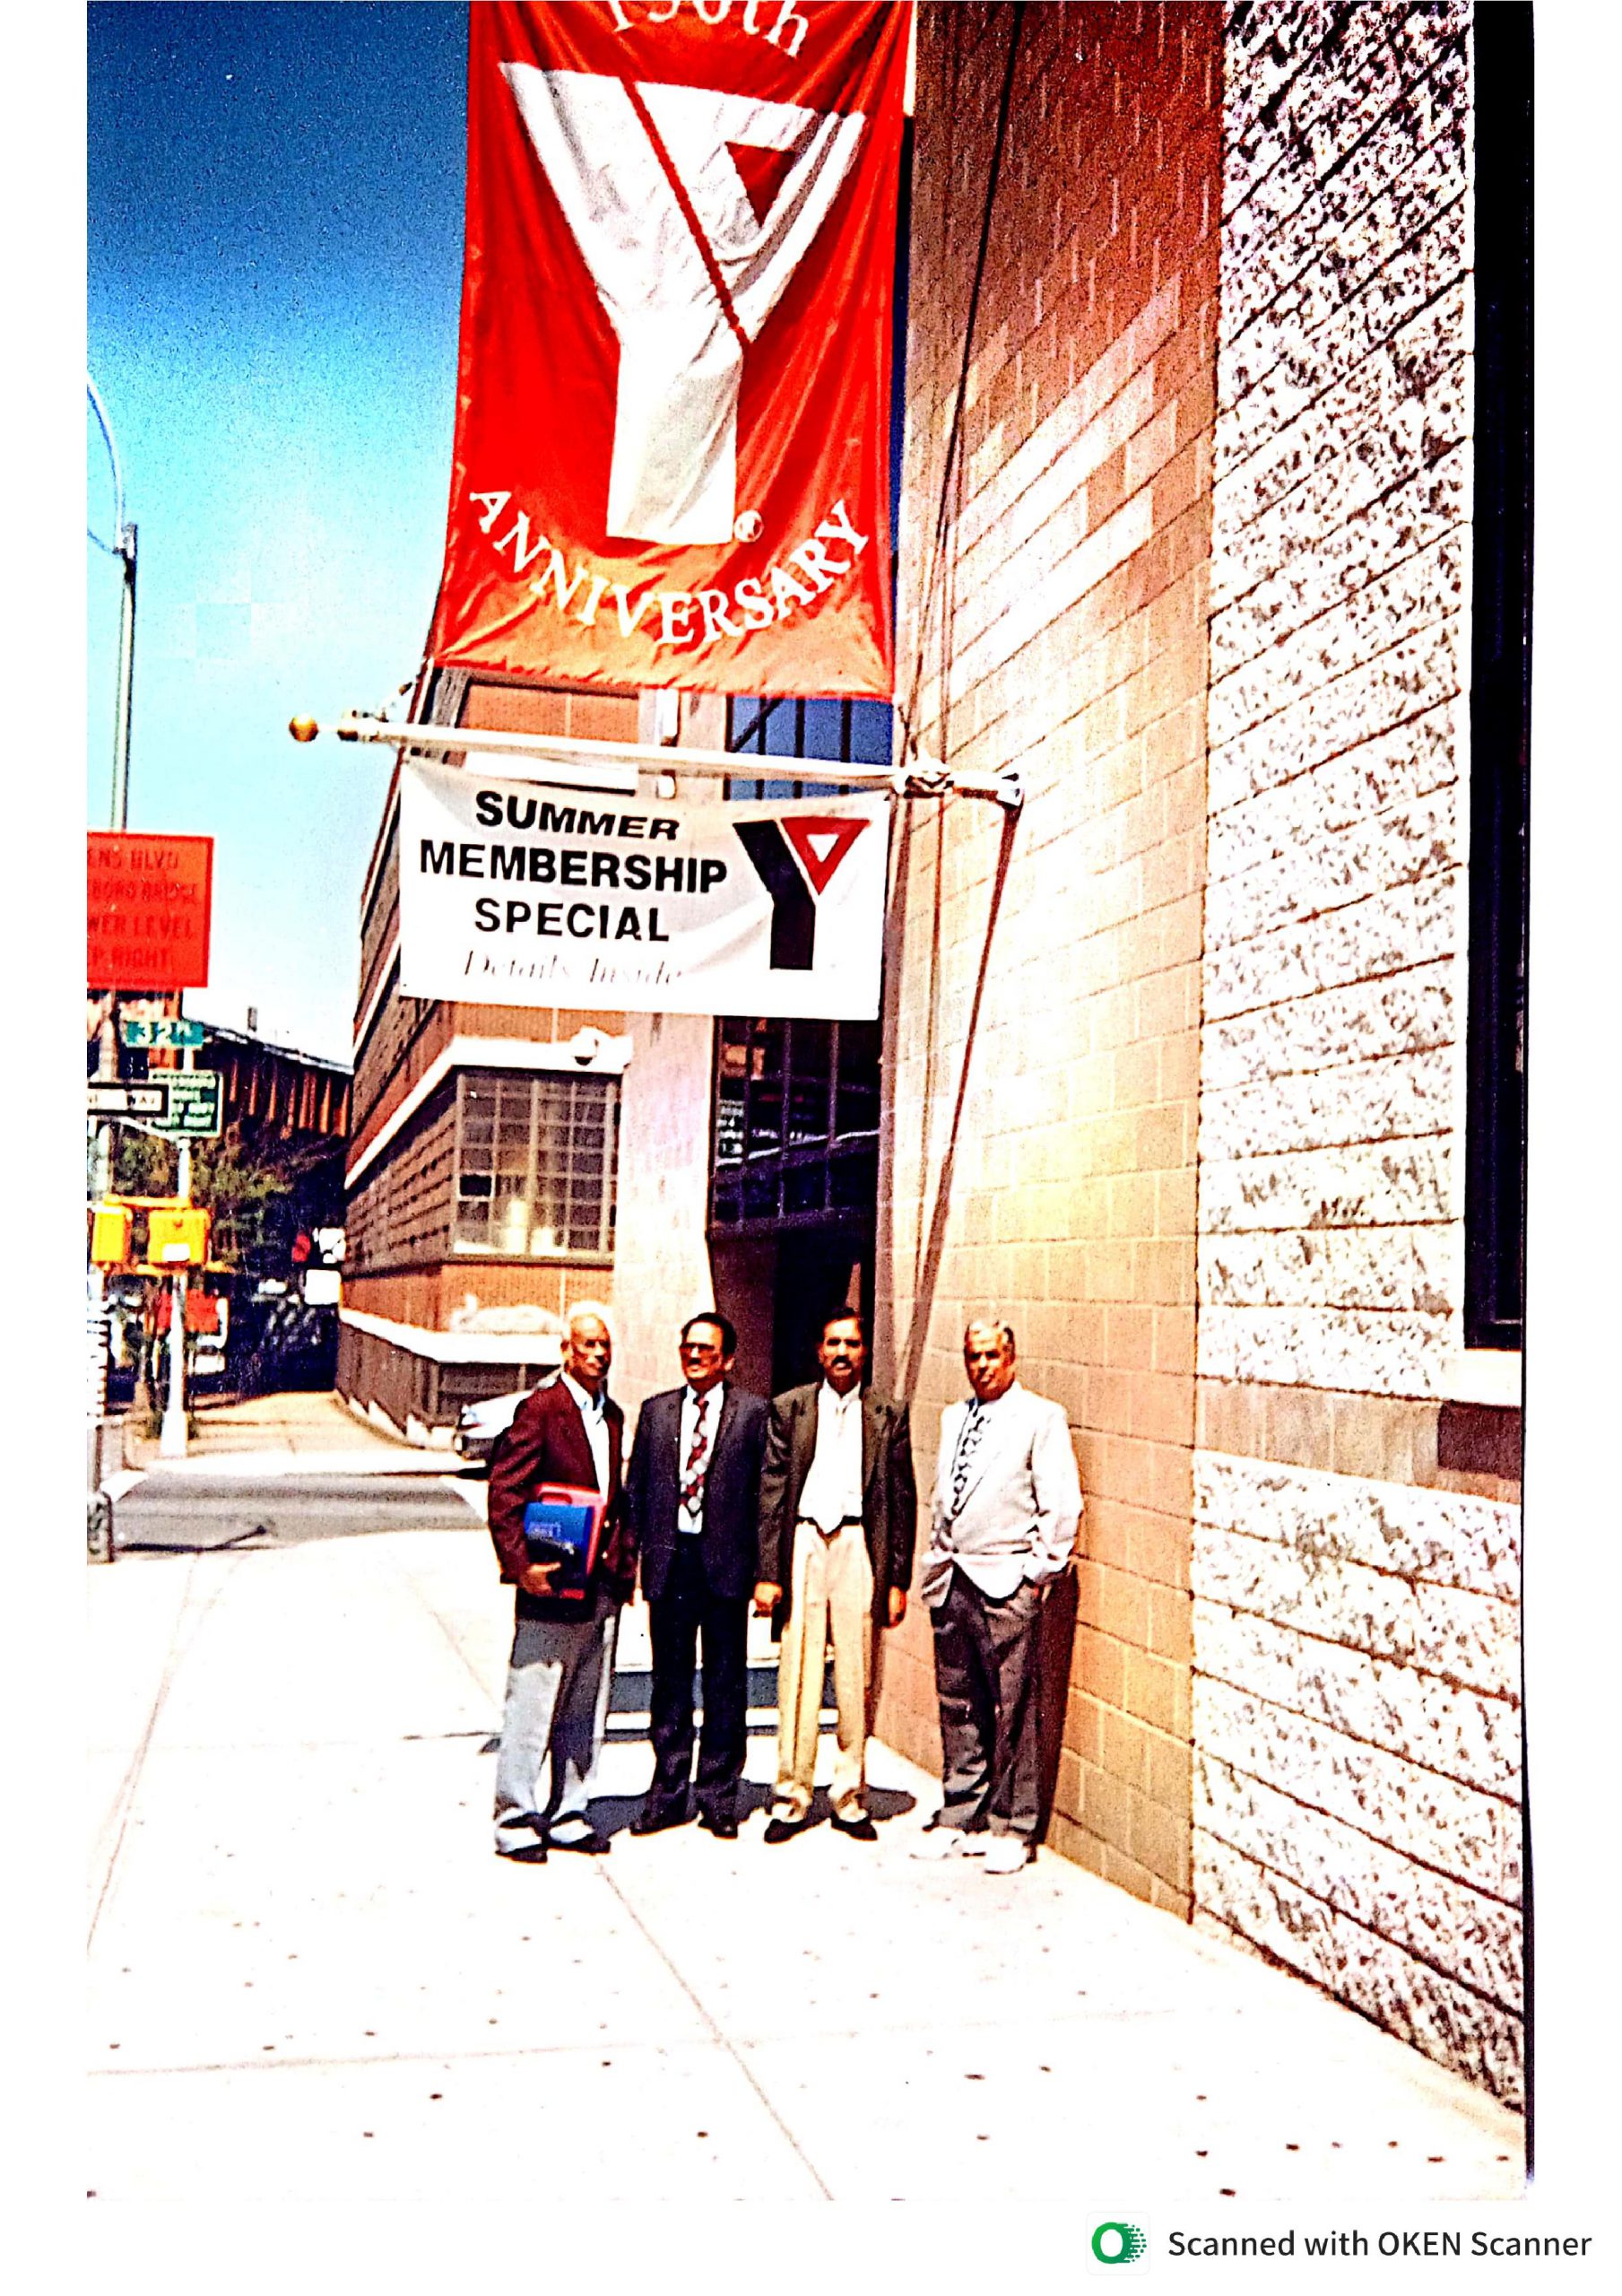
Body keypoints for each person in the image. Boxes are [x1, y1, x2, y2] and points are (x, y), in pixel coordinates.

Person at [911, 1318, 1081, 1875]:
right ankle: (962, 1811)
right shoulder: (954, 1416)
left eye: (990, 1355)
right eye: (972, 1356)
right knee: (959, 1703)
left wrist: (1036, 1575)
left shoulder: (1040, 1418)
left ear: (1011, 1358)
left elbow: (1061, 1504)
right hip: (953, 1578)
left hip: (1007, 1583)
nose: (981, 1366)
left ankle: (1014, 1824)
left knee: (1017, 1707)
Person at [754, 1309, 916, 1844]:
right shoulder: (790, 1408)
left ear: (864, 1351)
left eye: (852, 1342)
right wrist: (769, 1572)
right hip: (804, 1540)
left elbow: (901, 1500)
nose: (843, 1352)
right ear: (820, 1352)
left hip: (856, 1544)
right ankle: (791, 1795)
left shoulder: (888, 1414)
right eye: (833, 1343)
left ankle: (849, 1795)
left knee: (855, 1673)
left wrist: (896, 1580)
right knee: (796, 1672)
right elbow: (772, 1493)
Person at [487, 1303, 633, 1860]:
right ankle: (515, 1819)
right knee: (533, 1703)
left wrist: (625, 1567)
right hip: (550, 1585)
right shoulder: (541, 1410)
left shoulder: (612, 1416)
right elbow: (506, 1494)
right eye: (587, 1345)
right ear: (566, 1351)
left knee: (585, 1707)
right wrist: (522, 1565)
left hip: (600, 1585)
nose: (597, 1355)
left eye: (604, 1346)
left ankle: (571, 1811)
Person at [623, 1312, 768, 1840]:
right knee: (670, 1683)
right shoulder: (656, 1412)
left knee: (726, 1683)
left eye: (707, 1349)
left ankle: (718, 1796)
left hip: (726, 1566)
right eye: (688, 1346)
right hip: (671, 1562)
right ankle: (667, 1793)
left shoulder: (754, 1413)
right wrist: (634, 1562)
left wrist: (763, 1571)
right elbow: (636, 1489)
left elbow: (763, 1498)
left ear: (727, 1358)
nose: (695, 1355)